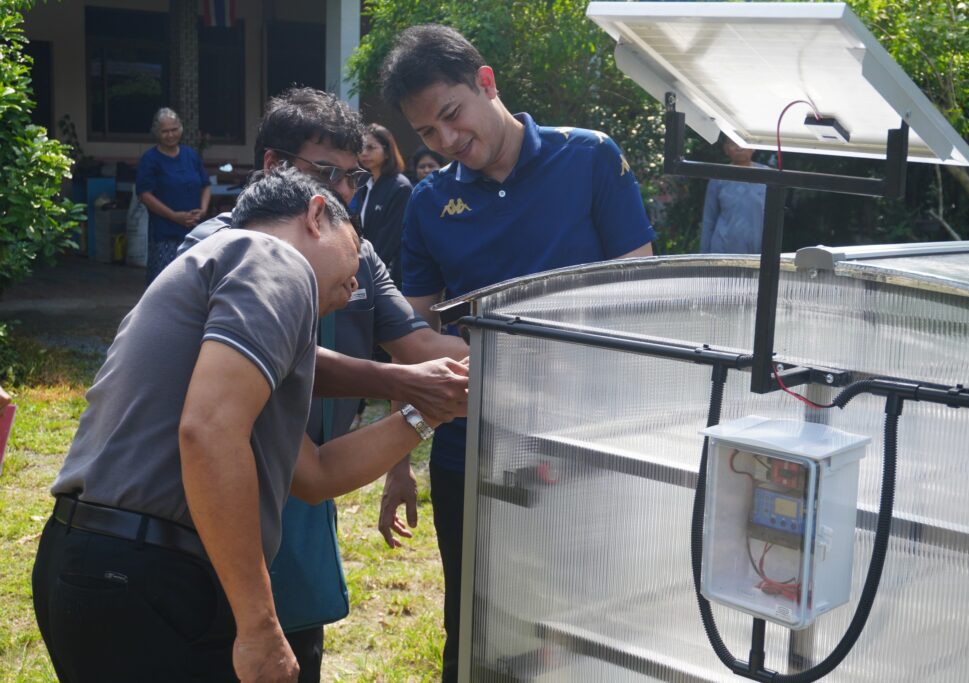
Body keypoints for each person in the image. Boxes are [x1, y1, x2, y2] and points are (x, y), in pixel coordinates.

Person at [32, 165, 461, 683]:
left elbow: (316, 474)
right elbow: (209, 432)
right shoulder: (270, 257)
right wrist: (260, 625)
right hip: (151, 574)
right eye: (355, 252)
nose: (354, 285)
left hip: (93, 564)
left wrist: (426, 412)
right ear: (316, 215)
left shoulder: (226, 302)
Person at [377, 24, 656, 681]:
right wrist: (397, 460)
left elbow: (642, 300)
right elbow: (409, 339)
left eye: (452, 115)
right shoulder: (429, 203)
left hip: (588, 440)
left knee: (591, 622)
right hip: (472, 447)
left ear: (486, 82)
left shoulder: (589, 159)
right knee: (476, 624)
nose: (447, 140)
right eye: (427, 133)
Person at [183, 86, 470, 682]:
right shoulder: (220, 248)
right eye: (325, 173)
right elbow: (283, 358)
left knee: (296, 649)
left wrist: (522, 358)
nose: (342, 192)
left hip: (309, 487)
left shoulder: (357, 257)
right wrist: (403, 382)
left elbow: (421, 347)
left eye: (354, 176)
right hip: (223, 492)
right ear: (273, 166)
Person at [136, 107, 211, 283]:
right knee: (165, 281)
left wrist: (203, 210)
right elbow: (144, 195)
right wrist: (174, 216)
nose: (170, 135)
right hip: (165, 232)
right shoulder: (150, 159)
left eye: (174, 129)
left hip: (194, 230)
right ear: (157, 132)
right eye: (165, 131)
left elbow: (206, 185)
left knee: (194, 281)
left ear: (181, 129)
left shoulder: (191, 155)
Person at [353, 124, 413, 288]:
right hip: (364, 267)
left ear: (387, 152)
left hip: (387, 274)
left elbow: (390, 239)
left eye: (371, 148)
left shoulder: (400, 187)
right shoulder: (364, 182)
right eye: (361, 148)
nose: (364, 153)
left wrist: (366, 271)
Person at [700, 137, 769, 254]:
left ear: (754, 147)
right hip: (723, 248)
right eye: (733, 143)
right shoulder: (718, 176)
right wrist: (704, 256)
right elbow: (709, 219)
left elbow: (774, 218)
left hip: (756, 250)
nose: (739, 147)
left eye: (743, 142)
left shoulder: (767, 175)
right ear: (726, 149)